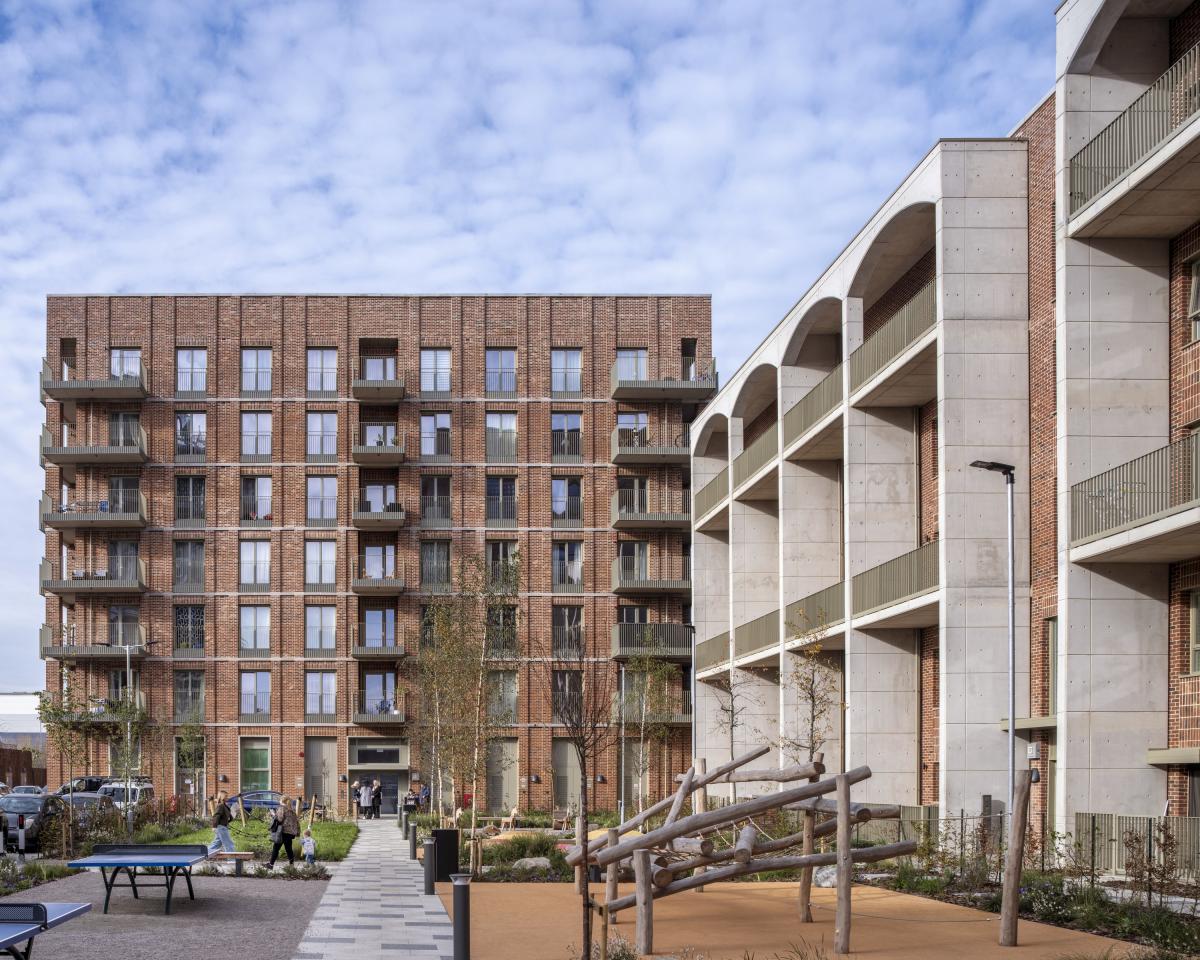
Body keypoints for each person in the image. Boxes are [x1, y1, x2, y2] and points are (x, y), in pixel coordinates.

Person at [268, 797, 300, 868]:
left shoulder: (282, 808)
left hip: (283, 832)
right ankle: (292, 866)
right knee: (289, 849)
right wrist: (297, 832)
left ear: (282, 801)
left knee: (276, 848)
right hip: (290, 833)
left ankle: (271, 865)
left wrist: (273, 815)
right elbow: (297, 822)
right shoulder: (292, 810)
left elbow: (279, 819)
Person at [208, 790, 235, 854]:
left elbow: (229, 817)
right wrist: (214, 826)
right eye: (226, 796)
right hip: (220, 827)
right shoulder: (220, 806)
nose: (227, 797)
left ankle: (204, 854)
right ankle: (232, 860)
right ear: (222, 797)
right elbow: (216, 816)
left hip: (223, 827)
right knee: (229, 843)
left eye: (227, 796)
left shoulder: (225, 806)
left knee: (216, 844)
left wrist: (235, 812)